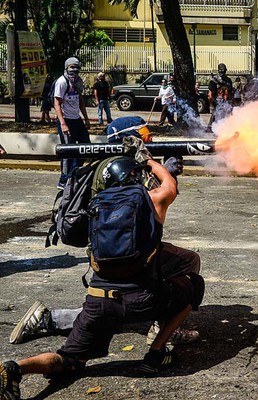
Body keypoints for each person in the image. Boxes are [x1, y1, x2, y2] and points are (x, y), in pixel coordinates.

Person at [0, 157, 205, 398]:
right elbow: (169, 184)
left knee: (69, 361)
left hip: (97, 302)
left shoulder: (94, 207)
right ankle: (156, 352)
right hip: (141, 299)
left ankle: (14, 368)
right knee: (194, 285)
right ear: (135, 177)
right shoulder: (151, 200)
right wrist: (149, 161)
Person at [54, 56, 91, 191]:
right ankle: (63, 180)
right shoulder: (62, 82)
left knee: (86, 146)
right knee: (67, 150)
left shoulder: (78, 82)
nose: (74, 70)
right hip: (66, 120)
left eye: (76, 67)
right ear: (66, 68)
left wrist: (86, 118)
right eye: (71, 67)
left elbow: (81, 101)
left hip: (77, 119)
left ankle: (73, 173)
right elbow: (57, 103)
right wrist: (63, 123)